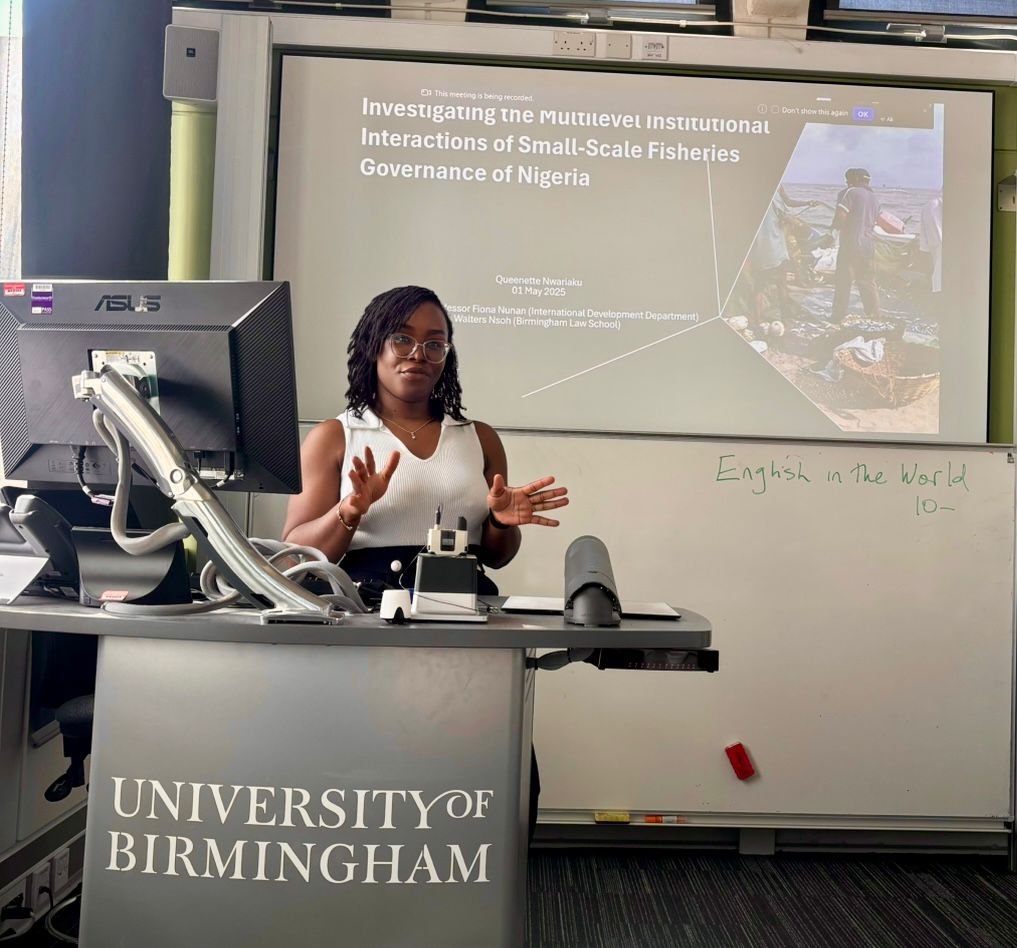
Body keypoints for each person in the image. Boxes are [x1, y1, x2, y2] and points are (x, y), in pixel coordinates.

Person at [282, 285, 569, 840]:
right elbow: (298, 550)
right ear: (374, 347)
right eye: (402, 339)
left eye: (435, 343)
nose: (418, 354)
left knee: (487, 765)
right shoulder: (336, 435)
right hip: (367, 618)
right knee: (375, 771)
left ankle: (489, 890)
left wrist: (502, 524)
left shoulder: (477, 437)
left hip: (465, 616)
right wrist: (350, 508)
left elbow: (497, 557)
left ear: (448, 356)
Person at [831, 167, 881, 324]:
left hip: (850, 246)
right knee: (867, 282)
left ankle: (837, 317)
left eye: (848, 180)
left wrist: (830, 234)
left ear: (856, 180)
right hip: (868, 246)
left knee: (843, 282)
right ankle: (874, 317)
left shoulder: (850, 192)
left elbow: (840, 217)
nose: (847, 183)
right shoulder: (874, 198)